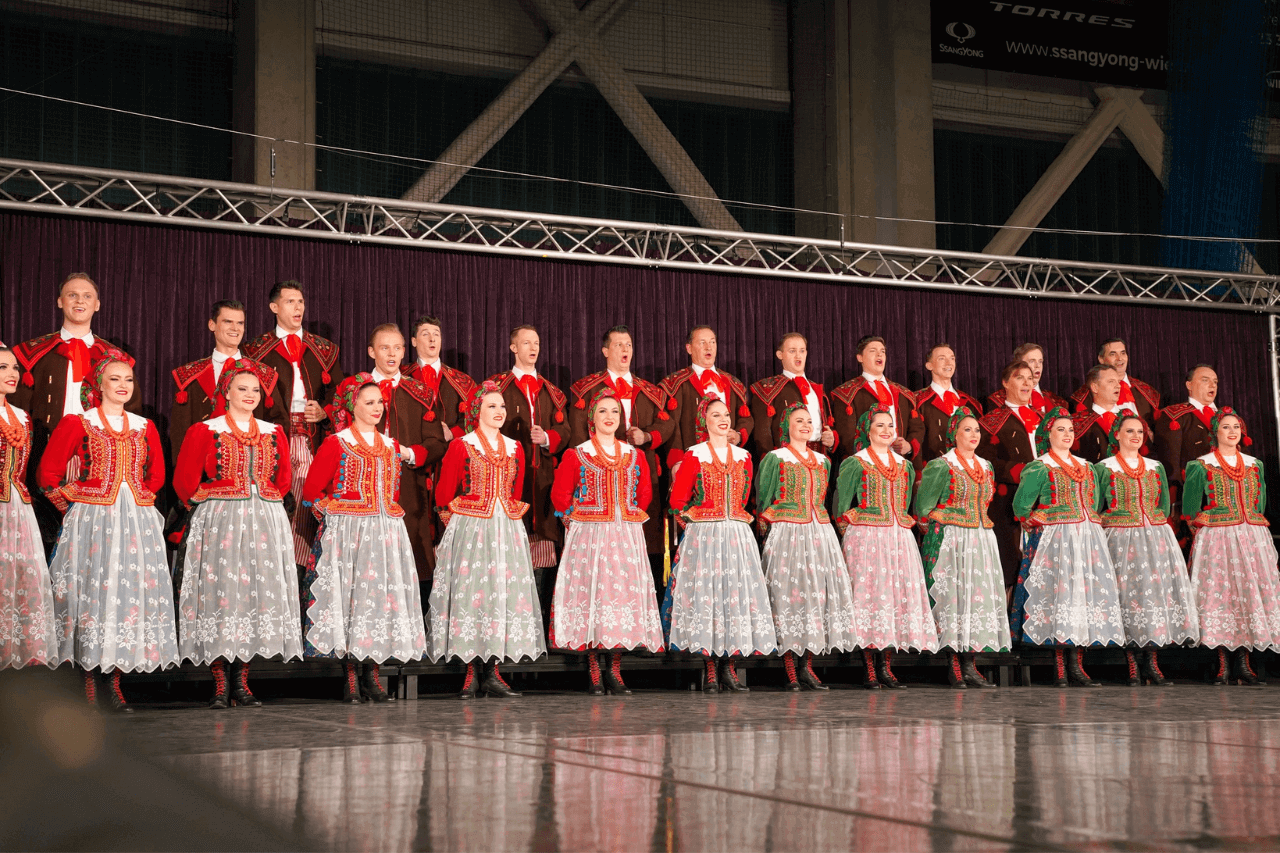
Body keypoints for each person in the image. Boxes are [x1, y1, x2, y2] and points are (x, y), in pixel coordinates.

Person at [37, 350, 178, 712]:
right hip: (93, 520)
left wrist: (139, 500)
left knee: (125, 596)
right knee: (91, 595)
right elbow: (48, 474)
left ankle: (114, 683)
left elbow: (157, 476)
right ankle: (86, 683)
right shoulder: (79, 422)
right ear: (98, 385)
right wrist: (74, 505)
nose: (122, 386)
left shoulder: (144, 426)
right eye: (114, 379)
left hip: (134, 522)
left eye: (128, 380)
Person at [172, 360, 301, 707]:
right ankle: (218, 683)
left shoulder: (273, 432)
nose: (249, 395)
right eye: (242, 388)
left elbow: (284, 478)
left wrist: (266, 502)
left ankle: (242, 682)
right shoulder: (206, 429)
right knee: (220, 594)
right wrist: (210, 502)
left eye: (255, 390)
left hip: (263, 521)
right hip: (221, 521)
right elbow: (185, 480)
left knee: (251, 596)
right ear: (225, 392)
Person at [301, 375, 428, 703]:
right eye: (369, 402)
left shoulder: (390, 446)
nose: (376, 408)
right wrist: (332, 514)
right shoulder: (338, 441)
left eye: (379, 403)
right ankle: (351, 677)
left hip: (385, 533)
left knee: (377, 602)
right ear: (352, 406)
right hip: (350, 533)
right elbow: (312, 490)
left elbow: (393, 490)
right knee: (351, 600)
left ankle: (372, 673)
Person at [429, 380, 545, 699]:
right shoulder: (462, 445)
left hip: (505, 529)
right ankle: (469, 671)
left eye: (502, 406)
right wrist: (453, 532)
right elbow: (444, 492)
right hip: (470, 528)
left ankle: (493, 670)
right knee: (471, 594)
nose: (499, 411)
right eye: (492, 405)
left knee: (500, 595)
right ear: (477, 410)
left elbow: (517, 489)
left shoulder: (514, 447)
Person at [11, 273, 142, 552]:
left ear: (97, 305)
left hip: (98, 459)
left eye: (87, 296)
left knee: (96, 543)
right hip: (43, 457)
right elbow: (18, 412)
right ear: (60, 301)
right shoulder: (33, 353)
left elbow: (129, 417)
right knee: (44, 541)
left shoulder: (116, 359)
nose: (79, 301)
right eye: (72, 295)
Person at [550, 388, 663, 695]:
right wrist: (570, 516)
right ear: (592, 418)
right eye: (603, 411)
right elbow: (561, 492)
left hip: (624, 533)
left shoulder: (633, 454)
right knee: (594, 595)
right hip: (589, 534)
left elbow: (644, 493)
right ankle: (593, 669)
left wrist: (630, 513)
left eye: (615, 411)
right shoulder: (578, 453)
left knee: (619, 596)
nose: (610, 417)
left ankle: (614, 667)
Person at [663, 396, 776, 692]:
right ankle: (710, 668)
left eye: (726, 414)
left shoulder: (743, 457)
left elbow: (745, 495)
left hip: (737, 537)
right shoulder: (694, 455)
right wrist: (695, 529)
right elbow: (678, 501)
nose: (724, 419)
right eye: (716, 415)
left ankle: (730, 666)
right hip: (706, 536)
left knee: (733, 598)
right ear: (704, 421)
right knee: (708, 599)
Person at [1011, 408, 1125, 687]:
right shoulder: (1040, 466)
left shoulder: (1087, 467)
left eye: (1070, 430)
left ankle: (1077, 664)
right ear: (1047, 434)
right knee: (1059, 597)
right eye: (1060, 429)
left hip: (1085, 539)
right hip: (1055, 540)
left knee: (1082, 596)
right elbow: (1021, 507)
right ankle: (1061, 667)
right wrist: (1043, 518)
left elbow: (1095, 503)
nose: (1067, 435)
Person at [834, 406, 938, 689]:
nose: (886, 430)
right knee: (871, 596)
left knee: (893, 597)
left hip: (897, 537)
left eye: (890, 425)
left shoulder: (904, 466)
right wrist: (848, 533)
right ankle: (869, 665)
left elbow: (904, 503)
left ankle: (886, 665)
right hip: (867, 537)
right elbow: (842, 505)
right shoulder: (856, 462)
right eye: (879, 425)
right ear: (867, 431)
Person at [243, 281, 344, 564]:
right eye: (290, 302)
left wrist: (324, 411)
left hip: (313, 436)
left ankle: (304, 570)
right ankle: (272, 566)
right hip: (274, 437)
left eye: (300, 301)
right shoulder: (255, 350)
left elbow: (341, 391)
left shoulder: (324, 349)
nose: (298, 307)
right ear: (274, 307)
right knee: (277, 502)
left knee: (308, 504)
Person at [756, 403, 855, 691]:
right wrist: (767, 526)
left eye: (809, 421)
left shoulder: (823, 461)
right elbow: (765, 497)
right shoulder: (776, 458)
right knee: (788, 595)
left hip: (818, 532)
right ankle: (789, 666)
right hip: (788, 530)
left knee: (815, 595)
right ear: (786, 425)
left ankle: (807, 666)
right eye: (799, 420)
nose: (805, 425)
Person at [1094, 414, 1198, 686]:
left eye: (1139, 431)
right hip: (1121, 538)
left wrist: (1154, 526)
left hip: (1154, 536)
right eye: (1129, 431)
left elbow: (1163, 504)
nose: (1136, 436)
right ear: (1117, 435)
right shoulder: (1104, 467)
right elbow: (1095, 505)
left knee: (1153, 595)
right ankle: (1131, 663)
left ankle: (1152, 662)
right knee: (1128, 597)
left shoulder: (1154, 467)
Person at [568, 326, 675, 589]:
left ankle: (646, 601)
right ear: (605, 351)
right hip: (599, 478)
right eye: (619, 345)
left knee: (647, 541)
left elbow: (667, 424)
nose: (625, 350)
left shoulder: (649, 390)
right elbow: (578, 434)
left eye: (628, 345)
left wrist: (648, 437)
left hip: (641, 476)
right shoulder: (587, 389)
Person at [1181, 408, 1280, 685]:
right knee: (1222, 596)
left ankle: (1244, 662)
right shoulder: (1201, 464)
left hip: (1251, 537)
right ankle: (1222, 662)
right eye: (1226, 427)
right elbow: (1190, 509)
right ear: (1216, 432)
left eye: (1236, 426)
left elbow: (1259, 503)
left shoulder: (1253, 464)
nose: (1232, 431)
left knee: (1249, 595)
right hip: (1218, 538)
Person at [913, 407, 1010, 688]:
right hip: (952, 539)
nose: (974, 435)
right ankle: (954, 665)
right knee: (954, 599)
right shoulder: (942, 465)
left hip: (980, 539)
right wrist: (941, 522)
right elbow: (924, 507)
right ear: (954, 434)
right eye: (967, 429)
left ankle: (970, 664)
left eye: (977, 430)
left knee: (975, 600)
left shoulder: (986, 466)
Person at [486, 325, 570, 625]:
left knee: (545, 546)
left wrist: (547, 437)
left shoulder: (552, 391)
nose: (532, 347)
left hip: (543, 479)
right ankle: (509, 619)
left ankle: (541, 620)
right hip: (506, 480)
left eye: (536, 342)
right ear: (513, 348)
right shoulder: (497, 387)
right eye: (526, 342)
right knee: (509, 547)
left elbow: (566, 430)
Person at [363, 323, 447, 597]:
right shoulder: (355, 389)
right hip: (364, 487)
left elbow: (436, 443)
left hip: (408, 486)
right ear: (371, 351)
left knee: (413, 557)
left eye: (397, 348)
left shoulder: (421, 393)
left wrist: (410, 453)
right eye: (385, 347)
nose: (392, 354)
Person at [0, 347, 56, 670]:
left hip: (18, 510)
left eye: (15, 367)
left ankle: (16, 657)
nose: (12, 373)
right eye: (3, 367)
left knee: (18, 580)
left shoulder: (21, 417)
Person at [977, 361, 1041, 596]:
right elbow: (985, 461)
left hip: (1045, 501)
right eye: (1019, 377)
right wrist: (1019, 471)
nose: (1027, 383)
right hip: (1008, 502)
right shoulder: (991, 422)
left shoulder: (1044, 420)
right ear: (1005, 383)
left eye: (1029, 378)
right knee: (1011, 562)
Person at [169, 300, 262, 457]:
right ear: (212, 325)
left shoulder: (262, 373)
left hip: (251, 461)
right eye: (228, 322)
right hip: (203, 464)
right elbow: (180, 432)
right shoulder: (189, 375)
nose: (235, 328)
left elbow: (275, 426)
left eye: (240, 323)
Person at [660, 325, 753, 468]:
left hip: (728, 460)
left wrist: (739, 435)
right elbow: (672, 426)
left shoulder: (733, 383)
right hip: (692, 462)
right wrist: (677, 462)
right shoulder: (676, 384)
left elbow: (746, 418)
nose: (708, 347)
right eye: (702, 343)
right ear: (689, 348)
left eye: (712, 342)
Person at [830, 336, 924, 463]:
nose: (879, 354)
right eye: (873, 350)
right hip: (866, 465)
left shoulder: (904, 393)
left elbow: (917, 428)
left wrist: (909, 446)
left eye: (883, 351)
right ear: (860, 358)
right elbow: (847, 436)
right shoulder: (846, 393)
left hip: (900, 464)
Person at [749, 332, 836, 457]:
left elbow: (828, 425)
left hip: (819, 458)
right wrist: (772, 461)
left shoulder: (817, 389)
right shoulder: (768, 388)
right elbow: (762, 433)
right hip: (786, 459)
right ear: (780, 355)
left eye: (802, 351)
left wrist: (831, 440)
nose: (798, 356)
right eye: (792, 351)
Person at [405, 314, 478, 441]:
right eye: (425, 334)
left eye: (436, 334)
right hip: (410, 451)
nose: (432, 339)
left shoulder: (462, 380)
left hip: (451, 452)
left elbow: (476, 414)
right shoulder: (401, 376)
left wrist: (451, 433)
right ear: (414, 341)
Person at [912, 343, 984, 471]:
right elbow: (915, 440)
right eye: (941, 358)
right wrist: (918, 475)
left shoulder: (972, 403)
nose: (948, 363)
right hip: (935, 472)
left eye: (952, 358)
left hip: (970, 472)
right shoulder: (917, 401)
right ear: (929, 365)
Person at [1070, 338, 1161, 424]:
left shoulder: (1146, 392)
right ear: (1101, 359)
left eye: (1123, 353)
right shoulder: (1083, 398)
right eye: (1113, 354)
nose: (1120, 358)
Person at [986, 343, 1067, 413]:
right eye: (1032, 361)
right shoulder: (997, 401)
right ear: (1018, 364)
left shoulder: (1057, 402)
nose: (1037, 366)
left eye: (1040, 361)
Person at [1069, 364, 1125, 463]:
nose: (1118, 386)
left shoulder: (1130, 418)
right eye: (1111, 381)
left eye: (1118, 381)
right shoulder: (1077, 422)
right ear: (1095, 388)